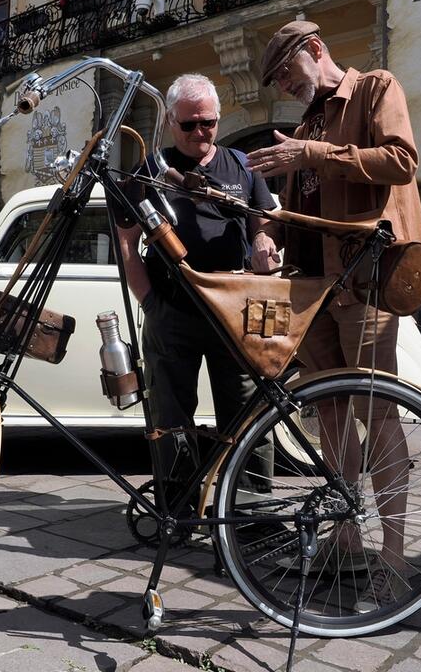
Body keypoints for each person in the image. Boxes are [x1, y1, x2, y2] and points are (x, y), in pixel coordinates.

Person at [248, 20, 421, 610]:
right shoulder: (305, 126)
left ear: (316, 50)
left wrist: (313, 152)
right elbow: (308, 208)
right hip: (313, 287)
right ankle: (346, 537)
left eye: (285, 71)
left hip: (368, 281)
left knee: (377, 414)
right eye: (275, 78)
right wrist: (267, 228)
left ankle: (395, 559)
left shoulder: (375, 88)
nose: (282, 84)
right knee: (328, 414)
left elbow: (401, 161)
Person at [115, 73, 278, 513]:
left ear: (218, 120)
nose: (199, 133)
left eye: (207, 122)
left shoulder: (241, 166)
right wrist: (150, 303)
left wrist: (263, 242)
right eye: (188, 125)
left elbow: (263, 222)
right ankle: (179, 509)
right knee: (171, 418)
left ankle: (251, 513)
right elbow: (126, 241)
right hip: (173, 311)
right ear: (171, 122)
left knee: (248, 412)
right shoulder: (150, 169)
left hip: (234, 312)